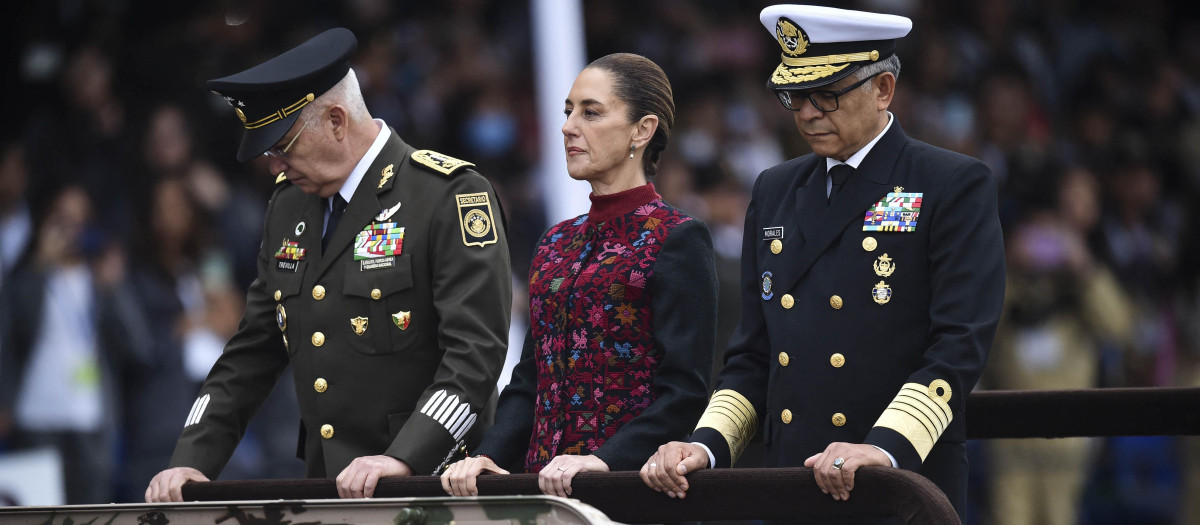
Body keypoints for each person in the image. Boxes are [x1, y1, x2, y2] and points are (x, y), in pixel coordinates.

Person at [640, 5, 1006, 522]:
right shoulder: (775, 188)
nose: (807, 112)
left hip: (899, 482)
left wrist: (884, 448)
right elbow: (754, 354)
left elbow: (958, 345)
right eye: (795, 96)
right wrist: (706, 446)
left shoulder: (951, 183)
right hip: (794, 484)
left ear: (883, 89)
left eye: (827, 95)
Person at [145, 27, 512, 502]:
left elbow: (475, 355)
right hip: (329, 490)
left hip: (434, 487)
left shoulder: (446, 195)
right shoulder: (289, 206)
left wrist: (406, 457)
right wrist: (191, 460)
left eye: (283, 147)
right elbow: (253, 349)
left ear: (337, 121)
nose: (275, 166)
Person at [440, 53, 717, 498]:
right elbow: (531, 379)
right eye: (568, 111)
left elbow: (684, 391)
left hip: (630, 493)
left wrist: (603, 459)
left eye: (591, 112)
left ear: (642, 131)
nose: (569, 126)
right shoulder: (554, 242)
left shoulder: (677, 237)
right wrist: (488, 454)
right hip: (542, 494)